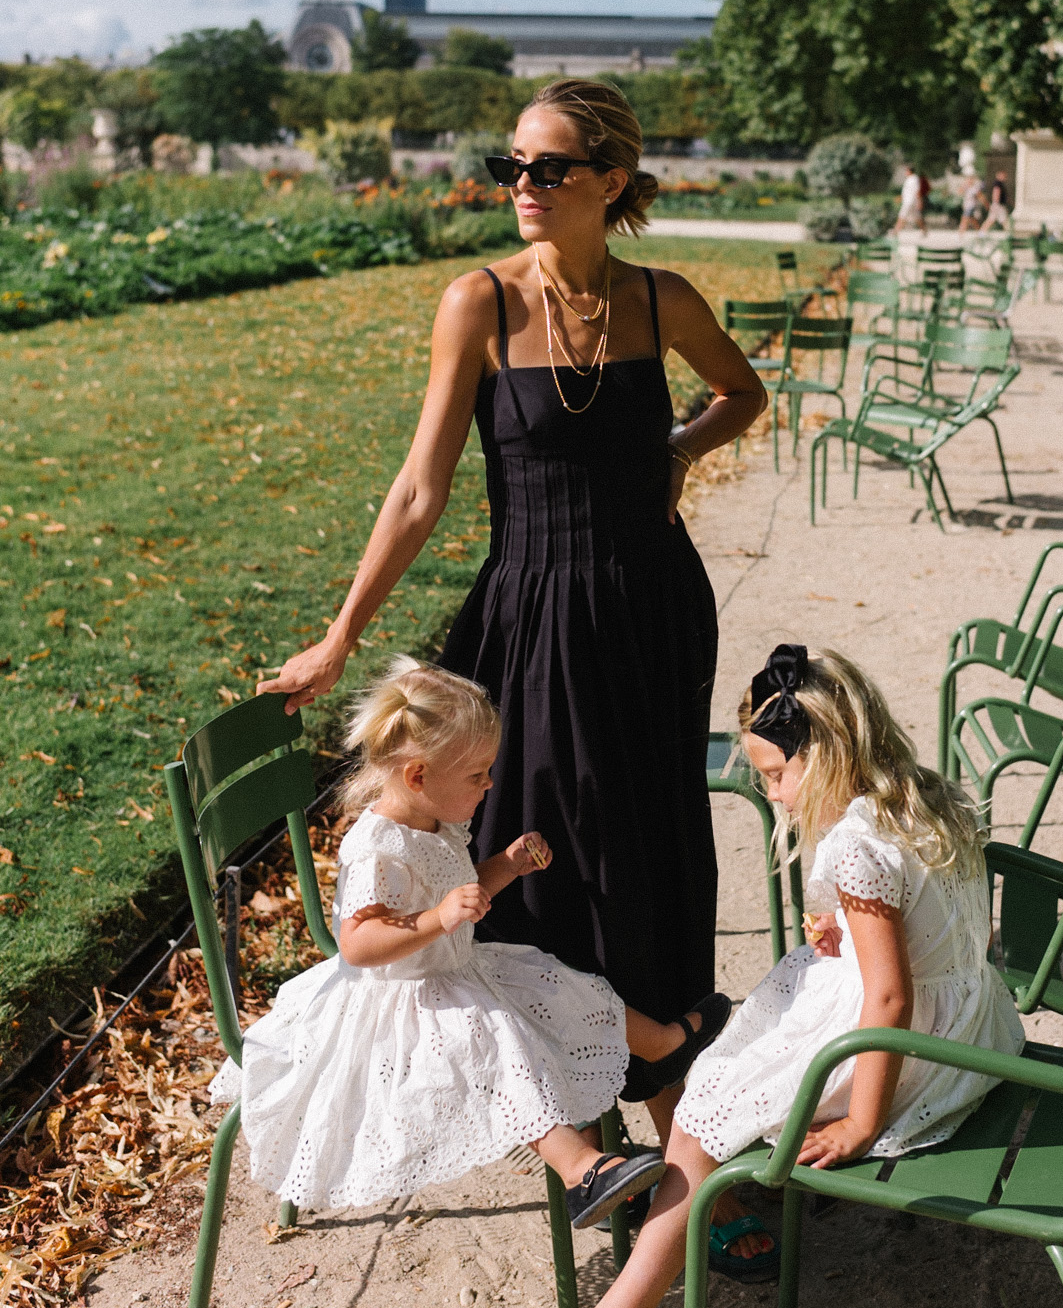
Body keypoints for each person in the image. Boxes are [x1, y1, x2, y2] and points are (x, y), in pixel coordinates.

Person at [260, 80, 765, 1142]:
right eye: (510, 167)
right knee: (529, 841)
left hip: (651, 609)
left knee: (648, 840)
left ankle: (675, 1098)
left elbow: (742, 392)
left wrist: (678, 448)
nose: (521, 186)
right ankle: (574, 1105)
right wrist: (342, 634)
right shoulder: (477, 303)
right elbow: (418, 488)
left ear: (609, 182)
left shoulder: (661, 297)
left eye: (547, 169)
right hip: (530, 613)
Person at [508, 645, 1026, 1308]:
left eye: (779, 774)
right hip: (968, 1027)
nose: (775, 795)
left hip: (906, 1050)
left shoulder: (855, 843)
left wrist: (862, 1123)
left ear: (829, 751)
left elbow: (888, 1001)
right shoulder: (921, 795)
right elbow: (938, 929)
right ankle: (645, 1282)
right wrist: (846, 935)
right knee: (726, 1076)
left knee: (703, 1108)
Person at [210, 659, 730, 1215]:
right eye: (477, 775)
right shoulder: (376, 847)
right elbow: (357, 944)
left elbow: (457, 885)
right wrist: (437, 919)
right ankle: (582, 1169)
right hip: (400, 1002)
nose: (489, 784)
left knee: (561, 983)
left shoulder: (433, 817)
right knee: (505, 1047)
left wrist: (506, 865)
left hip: (454, 971)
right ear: (417, 775)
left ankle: (661, 1043)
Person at [894, 162, 927, 235]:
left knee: (902, 215)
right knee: (917, 217)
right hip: (909, 201)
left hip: (910, 202)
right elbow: (907, 192)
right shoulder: (909, 179)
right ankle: (924, 230)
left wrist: (919, 201)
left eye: (906, 170)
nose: (905, 172)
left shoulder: (914, 179)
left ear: (909, 171)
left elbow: (917, 191)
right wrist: (901, 198)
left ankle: (896, 231)